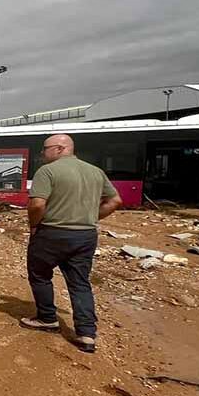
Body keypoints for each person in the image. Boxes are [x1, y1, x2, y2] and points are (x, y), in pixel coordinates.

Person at [20, 134, 123, 353]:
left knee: (39, 274)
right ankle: (86, 333)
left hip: (52, 233)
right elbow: (115, 201)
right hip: (85, 235)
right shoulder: (96, 172)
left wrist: (34, 226)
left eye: (44, 149)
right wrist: (90, 217)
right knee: (79, 282)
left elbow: (37, 204)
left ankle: (47, 318)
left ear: (58, 148)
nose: (42, 153)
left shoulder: (47, 171)